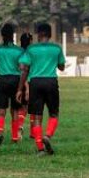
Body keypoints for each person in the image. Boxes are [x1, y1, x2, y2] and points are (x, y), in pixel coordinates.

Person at [16, 23, 65, 156]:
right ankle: (47, 136)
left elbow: (25, 69)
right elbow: (61, 67)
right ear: (49, 34)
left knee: (37, 117)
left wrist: (20, 89)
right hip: (51, 82)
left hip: (35, 83)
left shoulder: (31, 49)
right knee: (54, 114)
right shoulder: (56, 48)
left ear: (40, 34)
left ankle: (40, 148)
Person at [0, 24, 25, 145]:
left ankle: (0, 132)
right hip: (15, 80)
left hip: (2, 79)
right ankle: (15, 138)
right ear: (12, 35)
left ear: (2, 35)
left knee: (1, 110)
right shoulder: (19, 50)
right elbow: (22, 67)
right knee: (15, 110)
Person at [18, 33, 33, 138]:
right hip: (29, 82)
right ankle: (33, 132)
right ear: (30, 41)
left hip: (18, 82)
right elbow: (26, 71)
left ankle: (19, 125)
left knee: (22, 107)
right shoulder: (31, 53)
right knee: (33, 108)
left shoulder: (17, 53)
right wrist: (27, 88)